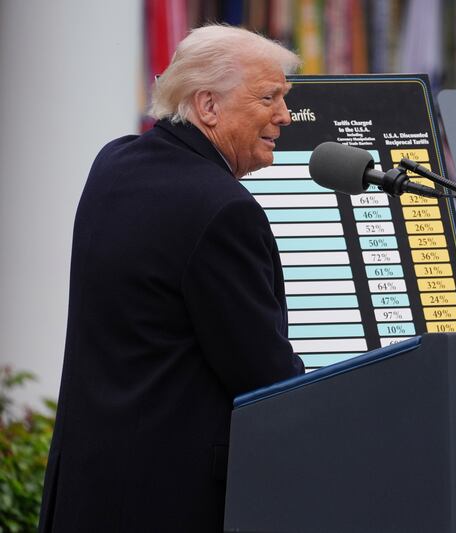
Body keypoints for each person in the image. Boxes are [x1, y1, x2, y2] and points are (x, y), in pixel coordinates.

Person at [39, 25, 305, 532]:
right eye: (269, 98)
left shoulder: (114, 162)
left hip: (88, 490)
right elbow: (265, 376)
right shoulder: (223, 209)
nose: (284, 116)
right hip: (172, 502)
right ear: (207, 105)